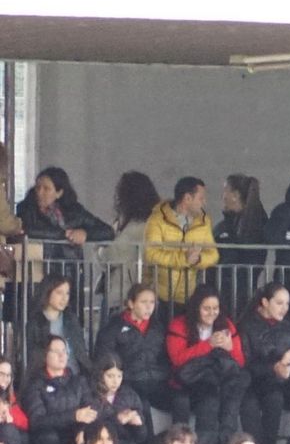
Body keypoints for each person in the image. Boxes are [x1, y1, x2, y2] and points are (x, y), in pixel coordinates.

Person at [165, 285, 248, 444]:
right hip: (189, 383)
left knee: (233, 392)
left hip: (219, 382)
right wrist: (208, 345)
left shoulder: (226, 325)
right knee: (209, 402)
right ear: (196, 308)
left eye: (215, 308)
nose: (212, 313)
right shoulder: (179, 325)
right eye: (206, 308)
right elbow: (177, 359)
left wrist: (230, 347)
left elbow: (239, 362)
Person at [238, 282, 290, 444]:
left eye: (287, 304)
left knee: (275, 399)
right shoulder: (247, 325)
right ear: (265, 302)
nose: (284, 308)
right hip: (250, 383)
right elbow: (244, 362)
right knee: (248, 404)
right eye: (279, 303)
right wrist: (274, 367)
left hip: (279, 385)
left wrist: (289, 368)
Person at [143, 176, 218, 313]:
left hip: (188, 296)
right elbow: (151, 254)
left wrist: (198, 259)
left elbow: (213, 254)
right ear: (187, 198)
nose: (204, 203)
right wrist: (184, 259)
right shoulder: (157, 219)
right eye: (201, 198)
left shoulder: (204, 221)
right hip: (159, 296)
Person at [94, 284, 169, 413]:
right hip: (130, 382)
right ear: (131, 303)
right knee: (141, 404)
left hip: (158, 381)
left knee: (181, 399)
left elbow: (166, 357)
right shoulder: (113, 328)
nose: (149, 307)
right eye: (143, 302)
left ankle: (182, 433)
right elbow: (104, 359)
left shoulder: (158, 327)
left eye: (152, 302)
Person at [16, 165, 112, 263]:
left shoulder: (74, 211)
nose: (40, 192)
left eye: (46, 189)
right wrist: (65, 235)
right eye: (38, 187)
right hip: (39, 267)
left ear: (59, 193)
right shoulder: (26, 209)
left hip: (70, 269)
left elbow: (107, 231)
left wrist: (85, 234)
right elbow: (26, 230)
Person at [22, 334, 95, 444]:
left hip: (76, 433)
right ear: (45, 355)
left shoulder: (79, 381)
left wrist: (83, 429)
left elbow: (92, 409)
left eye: (64, 351)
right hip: (50, 439)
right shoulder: (36, 385)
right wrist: (74, 416)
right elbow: (37, 421)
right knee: (49, 438)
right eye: (56, 351)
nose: (62, 355)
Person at [212, 173, 267, 317]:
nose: (223, 196)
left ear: (235, 195)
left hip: (235, 289)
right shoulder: (229, 223)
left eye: (225, 191)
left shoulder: (253, 223)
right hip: (228, 286)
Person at [85, 353, 150, 444]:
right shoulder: (89, 395)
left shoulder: (129, 395)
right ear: (100, 375)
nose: (115, 381)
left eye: (119, 376)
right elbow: (90, 430)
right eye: (110, 376)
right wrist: (117, 420)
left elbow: (141, 438)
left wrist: (138, 425)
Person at [26, 272, 91, 373]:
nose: (64, 298)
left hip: (74, 376)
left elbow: (80, 351)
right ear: (48, 292)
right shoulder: (36, 322)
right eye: (59, 292)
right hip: (47, 378)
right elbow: (32, 357)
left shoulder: (71, 319)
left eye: (67, 293)